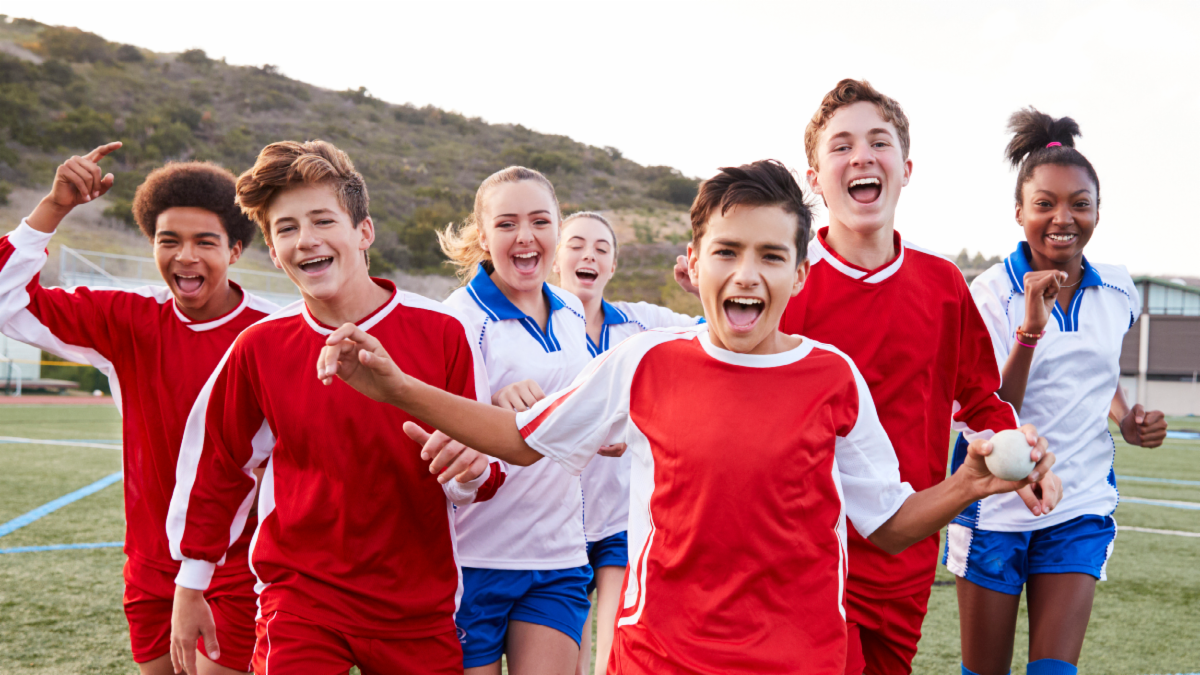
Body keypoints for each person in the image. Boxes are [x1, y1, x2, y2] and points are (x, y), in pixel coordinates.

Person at [316, 159, 1056, 675]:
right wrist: (394, 386)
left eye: (770, 255)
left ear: (800, 274)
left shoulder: (833, 376)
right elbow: (519, 438)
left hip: (802, 659)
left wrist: (965, 484)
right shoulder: (646, 363)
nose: (746, 273)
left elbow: (887, 523)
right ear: (693, 262)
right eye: (727, 251)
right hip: (659, 659)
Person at [673, 79, 1063, 674]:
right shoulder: (784, 285)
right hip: (798, 562)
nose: (861, 156)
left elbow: (981, 399)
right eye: (841, 145)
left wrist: (1022, 453)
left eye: (879, 142)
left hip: (904, 558)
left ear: (905, 168)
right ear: (814, 176)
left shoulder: (943, 287)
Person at [166, 140, 503, 675]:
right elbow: (217, 467)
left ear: (363, 232)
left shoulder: (443, 331)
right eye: (287, 229)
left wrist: (469, 469)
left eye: (323, 220)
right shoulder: (259, 346)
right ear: (273, 252)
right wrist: (191, 584)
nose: (306, 241)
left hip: (416, 603)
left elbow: (485, 471)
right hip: (301, 599)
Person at [0, 143, 277, 675]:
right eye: (168, 241)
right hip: (149, 565)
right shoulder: (127, 319)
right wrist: (53, 209)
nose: (186, 256)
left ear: (237, 249)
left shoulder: (274, 331)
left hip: (239, 567)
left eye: (205, 242)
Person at [947, 109, 1168, 675]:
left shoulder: (1119, 288)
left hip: (1079, 501)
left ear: (1097, 211)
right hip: (994, 505)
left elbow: (1097, 367)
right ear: (1019, 212)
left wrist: (1124, 416)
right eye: (1044, 204)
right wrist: (1029, 330)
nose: (1062, 218)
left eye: (1080, 203)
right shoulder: (989, 293)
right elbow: (987, 404)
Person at [436, 167, 594, 675]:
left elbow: (581, 409)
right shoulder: (458, 319)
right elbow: (447, 443)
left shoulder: (571, 307)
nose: (525, 237)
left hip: (559, 555)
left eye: (539, 221)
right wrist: (494, 404)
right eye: (506, 224)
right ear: (483, 235)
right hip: (477, 559)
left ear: (558, 229)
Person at [552, 210, 701, 675]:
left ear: (612, 268)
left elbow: (714, 330)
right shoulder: (541, 328)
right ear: (557, 259)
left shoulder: (639, 323)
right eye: (576, 244)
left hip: (619, 521)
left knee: (612, 651)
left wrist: (705, 288)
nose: (588, 255)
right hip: (558, 526)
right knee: (569, 662)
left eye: (601, 249)